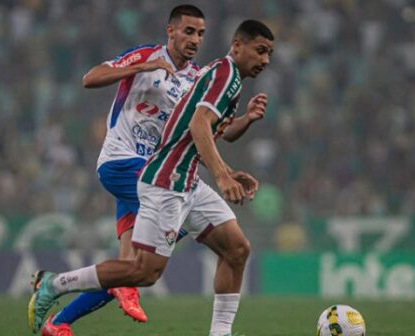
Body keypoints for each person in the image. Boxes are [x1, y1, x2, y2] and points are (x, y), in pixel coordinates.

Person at [28, 19, 274, 336]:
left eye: (269, 54)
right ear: (238, 46)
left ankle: (220, 333)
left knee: (236, 249)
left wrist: (235, 152)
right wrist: (222, 176)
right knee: (142, 271)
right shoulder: (217, 72)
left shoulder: (210, 76)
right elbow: (199, 126)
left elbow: (210, 133)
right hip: (160, 177)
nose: (266, 61)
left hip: (182, 179)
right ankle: (55, 284)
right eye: (261, 51)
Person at [39, 4, 206, 336]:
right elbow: (91, 78)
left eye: (201, 33)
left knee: (130, 270)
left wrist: (241, 120)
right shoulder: (146, 56)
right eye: (188, 31)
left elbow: (202, 129)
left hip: (149, 174)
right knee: (190, 212)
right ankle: (54, 284)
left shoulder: (195, 78)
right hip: (121, 161)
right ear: (170, 30)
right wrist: (143, 66)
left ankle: (57, 324)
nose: (195, 39)